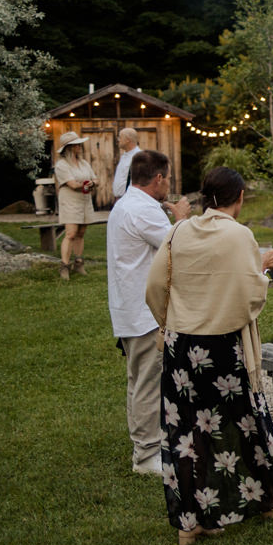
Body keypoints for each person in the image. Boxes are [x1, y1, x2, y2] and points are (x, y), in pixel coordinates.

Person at [145, 167, 273, 545]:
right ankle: (270, 497)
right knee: (247, 420)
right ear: (241, 197)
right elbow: (249, 297)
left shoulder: (180, 230)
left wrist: (169, 321)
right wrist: (261, 271)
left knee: (187, 431)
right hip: (222, 345)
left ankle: (190, 524)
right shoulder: (239, 235)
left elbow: (154, 284)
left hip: (181, 346)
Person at [106, 150, 190, 475]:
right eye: (168, 178)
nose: (169, 183)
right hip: (144, 313)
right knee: (148, 383)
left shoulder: (128, 205)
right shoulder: (142, 210)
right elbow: (180, 246)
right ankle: (146, 456)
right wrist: (180, 217)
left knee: (138, 381)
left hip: (131, 308)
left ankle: (148, 443)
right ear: (158, 179)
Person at [53, 131, 98, 280]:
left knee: (81, 233)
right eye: (77, 145)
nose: (80, 147)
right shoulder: (61, 165)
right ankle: (64, 266)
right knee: (71, 233)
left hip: (84, 200)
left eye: (79, 144)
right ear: (70, 148)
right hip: (70, 200)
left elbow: (95, 178)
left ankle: (78, 263)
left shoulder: (84, 163)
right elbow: (72, 184)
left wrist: (93, 183)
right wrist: (87, 184)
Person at [111, 127, 141, 199]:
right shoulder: (125, 155)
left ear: (128, 140)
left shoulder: (138, 157)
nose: (118, 140)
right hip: (120, 199)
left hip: (130, 199)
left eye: (120, 137)